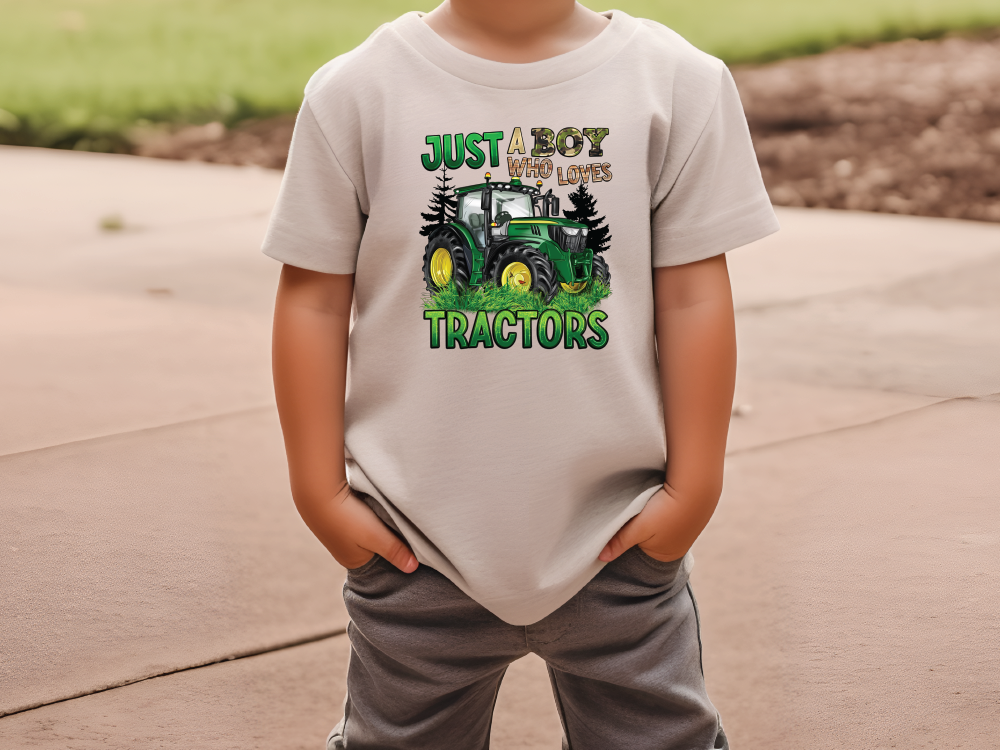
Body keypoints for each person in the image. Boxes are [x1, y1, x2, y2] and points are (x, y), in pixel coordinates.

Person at [264, 1, 779, 748]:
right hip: (414, 541)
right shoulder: (357, 91)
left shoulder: (676, 84)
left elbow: (695, 295)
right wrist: (320, 491)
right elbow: (312, 298)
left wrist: (694, 487)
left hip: (617, 535)